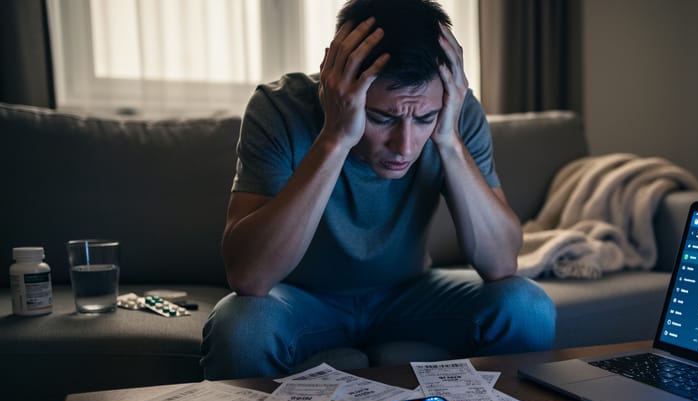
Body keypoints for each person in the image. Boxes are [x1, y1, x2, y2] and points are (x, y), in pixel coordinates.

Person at [200, 0, 555, 379]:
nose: (404, 146)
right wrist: (335, 137)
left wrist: (448, 139)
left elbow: (501, 264)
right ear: (338, 83)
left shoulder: (456, 112)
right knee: (240, 327)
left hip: (409, 295)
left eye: (423, 118)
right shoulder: (278, 108)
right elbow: (248, 277)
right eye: (381, 117)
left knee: (528, 306)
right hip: (301, 300)